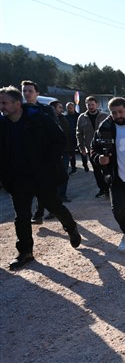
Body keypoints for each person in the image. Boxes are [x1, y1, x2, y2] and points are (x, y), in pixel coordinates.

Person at [0, 86, 81, 270]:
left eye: (4, 102)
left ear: (17, 103)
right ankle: (25, 252)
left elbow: (60, 139)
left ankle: (70, 227)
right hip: (17, 179)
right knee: (21, 216)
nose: (1, 106)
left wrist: (48, 164)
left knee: (54, 206)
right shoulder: (2, 125)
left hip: (41, 177)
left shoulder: (39, 119)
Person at [91, 97, 125, 251]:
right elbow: (93, 148)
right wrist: (98, 158)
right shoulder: (105, 128)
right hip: (117, 178)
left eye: (120, 111)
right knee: (117, 211)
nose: (117, 116)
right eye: (114, 113)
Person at [22, 79, 58, 224]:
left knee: (44, 186)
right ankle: (34, 215)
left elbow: (55, 132)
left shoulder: (46, 109)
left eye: (30, 91)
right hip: (25, 156)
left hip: (44, 155)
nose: (27, 93)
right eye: (24, 90)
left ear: (37, 93)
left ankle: (43, 212)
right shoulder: (19, 109)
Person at [77, 96, 109, 198]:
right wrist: (81, 147)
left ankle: (109, 188)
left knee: (106, 169)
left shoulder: (104, 116)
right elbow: (79, 133)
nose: (90, 107)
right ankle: (102, 189)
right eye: (88, 105)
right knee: (96, 171)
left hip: (104, 147)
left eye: (92, 104)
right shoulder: (82, 118)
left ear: (97, 104)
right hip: (91, 148)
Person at [49, 100, 72, 202]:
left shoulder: (64, 119)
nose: (62, 110)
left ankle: (62, 195)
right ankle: (54, 196)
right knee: (52, 175)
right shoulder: (47, 120)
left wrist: (70, 151)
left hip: (65, 151)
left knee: (63, 174)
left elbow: (68, 136)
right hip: (52, 153)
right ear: (53, 109)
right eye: (59, 107)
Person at [65, 101, 88, 173]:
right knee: (72, 154)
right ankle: (73, 168)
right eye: (68, 108)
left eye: (70, 108)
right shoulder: (65, 117)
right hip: (70, 137)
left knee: (82, 152)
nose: (69, 109)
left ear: (74, 108)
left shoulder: (79, 116)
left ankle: (85, 165)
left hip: (79, 136)